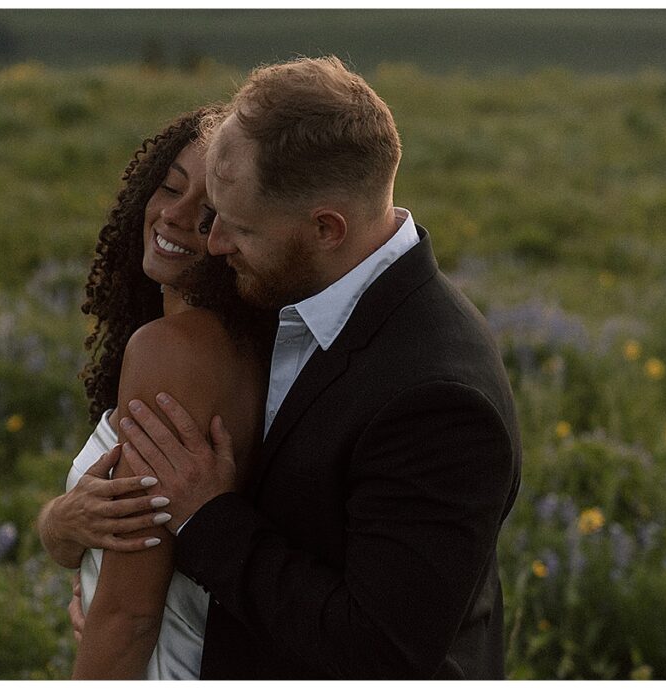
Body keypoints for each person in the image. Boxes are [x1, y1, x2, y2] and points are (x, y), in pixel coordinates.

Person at [109, 56, 524, 679]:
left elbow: (378, 652)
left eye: (239, 227)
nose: (215, 245)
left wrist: (207, 519)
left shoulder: (438, 397)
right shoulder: (287, 295)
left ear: (327, 228)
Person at [36, 106, 276, 679]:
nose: (173, 215)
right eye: (169, 186)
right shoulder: (234, 341)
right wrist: (59, 524)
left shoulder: (175, 352)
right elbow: (109, 538)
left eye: (209, 213)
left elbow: (129, 616)